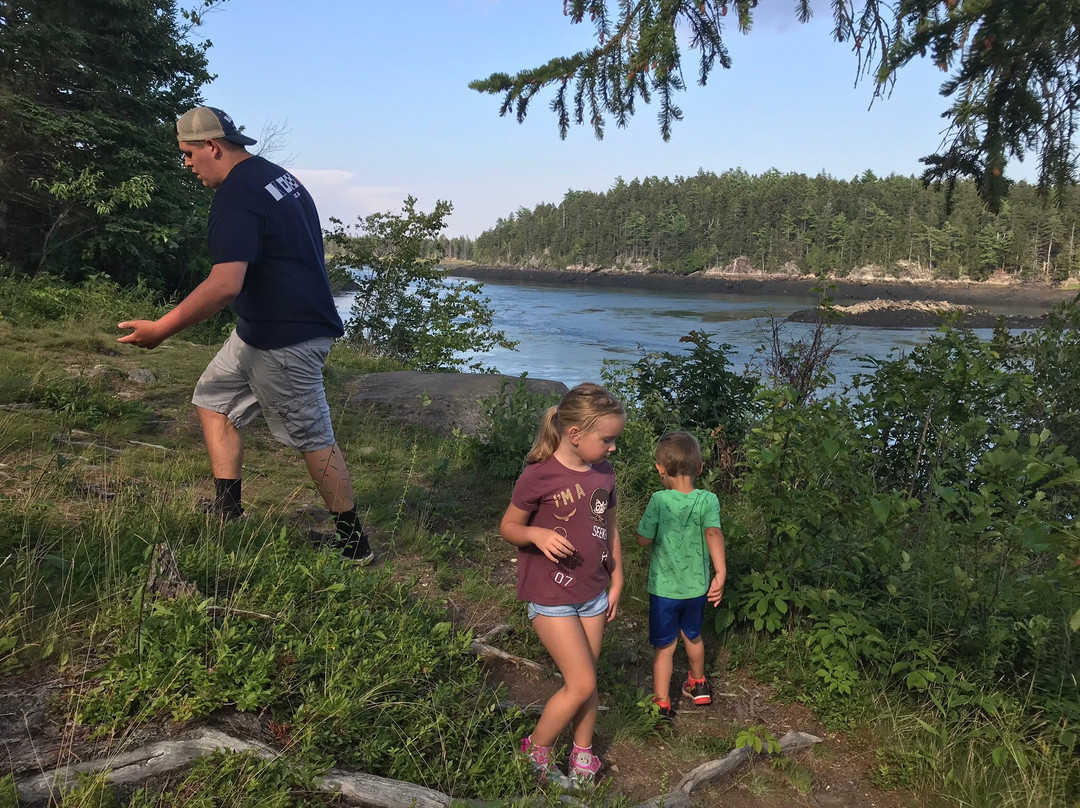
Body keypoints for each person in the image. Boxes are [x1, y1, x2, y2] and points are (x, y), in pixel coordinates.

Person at [117, 106, 372, 565]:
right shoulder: (278, 178)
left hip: (285, 338)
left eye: (189, 154)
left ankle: (354, 545)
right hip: (260, 330)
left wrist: (161, 329)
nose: (187, 165)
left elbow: (224, 285)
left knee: (313, 437)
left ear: (212, 146)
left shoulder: (236, 195)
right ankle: (228, 510)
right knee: (212, 399)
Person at [500, 383, 625, 788]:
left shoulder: (604, 473)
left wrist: (618, 576)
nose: (612, 448)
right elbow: (509, 526)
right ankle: (535, 750)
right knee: (582, 681)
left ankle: (583, 752)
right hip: (551, 596)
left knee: (589, 677)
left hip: (592, 592)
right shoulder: (538, 475)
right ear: (575, 434)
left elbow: (608, 526)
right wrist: (536, 536)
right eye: (606, 439)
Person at [636, 431, 726, 719]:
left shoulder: (658, 500)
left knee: (665, 647)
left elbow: (643, 539)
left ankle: (662, 701)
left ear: (660, 469)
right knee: (693, 636)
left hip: (663, 590)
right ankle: (699, 685)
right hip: (696, 589)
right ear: (700, 468)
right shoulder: (708, 500)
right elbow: (713, 532)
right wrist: (720, 572)